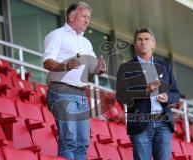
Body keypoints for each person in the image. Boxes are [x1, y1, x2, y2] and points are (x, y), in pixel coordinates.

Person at [43, 2, 106, 160]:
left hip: (81, 94)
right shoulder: (56, 35)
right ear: (71, 17)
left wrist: (99, 68)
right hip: (61, 91)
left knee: (83, 142)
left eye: (89, 18)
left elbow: (92, 69)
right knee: (69, 140)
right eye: (84, 16)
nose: (87, 20)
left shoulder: (86, 42)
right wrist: (66, 65)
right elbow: (47, 62)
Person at [116, 28, 180, 160]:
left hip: (163, 123)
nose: (143, 42)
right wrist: (145, 91)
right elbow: (121, 96)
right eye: (139, 40)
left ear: (153, 44)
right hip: (140, 123)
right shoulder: (126, 68)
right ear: (135, 45)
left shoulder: (164, 65)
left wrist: (167, 97)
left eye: (146, 39)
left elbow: (176, 93)